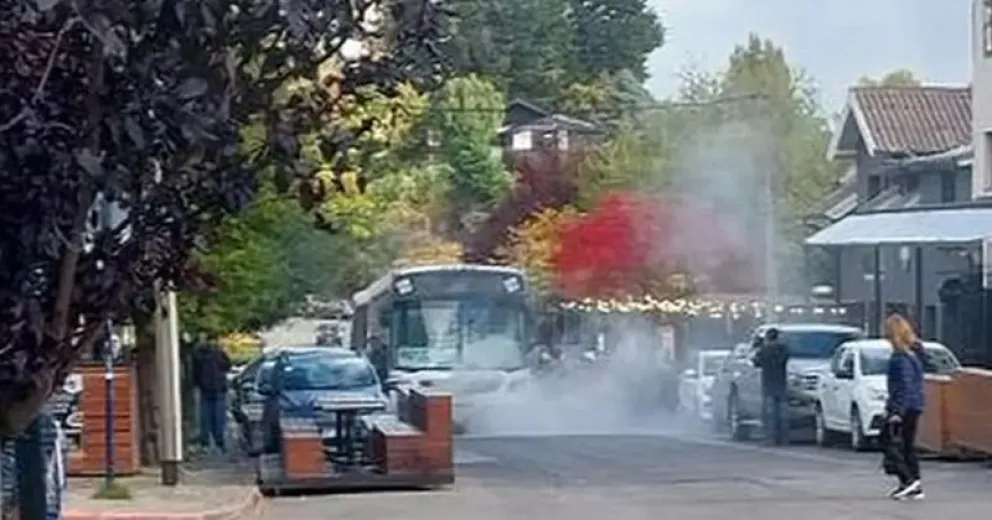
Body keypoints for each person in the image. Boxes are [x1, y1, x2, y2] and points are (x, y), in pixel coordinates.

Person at [883, 314, 926, 500]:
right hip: (915, 405)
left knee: (890, 442)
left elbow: (904, 385)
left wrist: (896, 411)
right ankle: (914, 483)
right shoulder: (913, 354)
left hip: (904, 407)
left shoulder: (900, 358)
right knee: (907, 444)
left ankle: (908, 479)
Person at [192, 339, 232, 453]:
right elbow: (227, 366)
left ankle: (205, 442)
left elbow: (195, 372)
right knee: (219, 417)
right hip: (219, 388)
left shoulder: (198, 354)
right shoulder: (219, 353)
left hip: (205, 388)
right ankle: (219, 442)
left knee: (205, 417)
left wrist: (197, 384)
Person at [753, 327, 790, 445]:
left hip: (768, 384)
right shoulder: (783, 349)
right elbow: (785, 358)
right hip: (781, 382)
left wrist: (759, 347)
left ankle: (770, 437)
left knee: (769, 413)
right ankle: (783, 438)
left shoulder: (764, 350)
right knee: (782, 413)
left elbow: (756, 362)